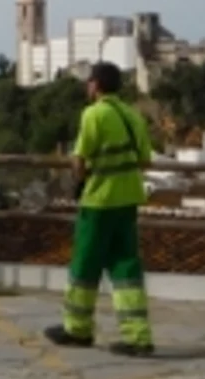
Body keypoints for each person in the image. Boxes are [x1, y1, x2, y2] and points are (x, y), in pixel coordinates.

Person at [44, 61, 156, 356]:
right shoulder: (133, 115)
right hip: (129, 198)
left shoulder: (94, 114)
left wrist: (83, 180)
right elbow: (145, 161)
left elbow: (80, 161)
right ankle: (138, 336)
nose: (87, 87)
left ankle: (77, 329)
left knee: (85, 265)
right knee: (126, 265)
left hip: (99, 201)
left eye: (89, 82)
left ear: (96, 85)